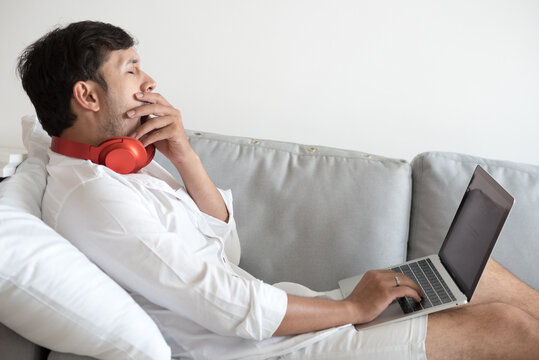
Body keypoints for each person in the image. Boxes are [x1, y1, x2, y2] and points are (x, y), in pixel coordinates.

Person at [17, 21, 539, 359]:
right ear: (86, 95)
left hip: (286, 320)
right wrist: (353, 309)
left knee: (480, 279)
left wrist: (184, 155)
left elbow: (226, 252)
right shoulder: (93, 196)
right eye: (130, 69)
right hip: (259, 350)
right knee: (506, 329)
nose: (149, 81)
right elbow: (226, 303)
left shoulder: (123, 166)